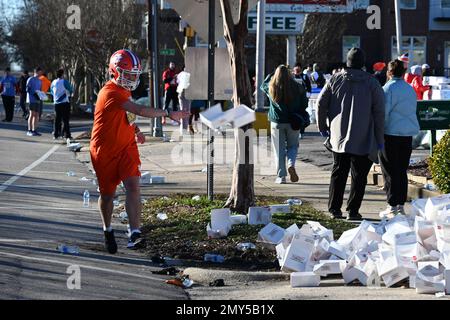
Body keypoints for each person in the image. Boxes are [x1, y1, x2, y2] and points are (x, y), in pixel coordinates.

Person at [90, 49, 188, 254]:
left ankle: (134, 233)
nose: (132, 79)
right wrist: (170, 113)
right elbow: (140, 110)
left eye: (135, 75)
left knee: (133, 186)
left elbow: (128, 113)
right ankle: (107, 229)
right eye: (128, 75)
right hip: (104, 151)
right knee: (107, 196)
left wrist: (134, 130)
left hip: (126, 147)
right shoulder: (109, 92)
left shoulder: (124, 91)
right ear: (115, 72)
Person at [317, 48, 385, 221]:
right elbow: (379, 113)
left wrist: (323, 126)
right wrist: (380, 138)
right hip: (364, 138)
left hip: (338, 137)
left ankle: (334, 209)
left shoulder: (335, 79)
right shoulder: (372, 83)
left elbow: (320, 104)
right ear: (362, 63)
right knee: (359, 176)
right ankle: (353, 210)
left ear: (347, 62)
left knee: (338, 173)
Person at [379, 60, 420, 219]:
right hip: (407, 134)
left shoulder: (387, 89)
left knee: (389, 170)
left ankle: (391, 205)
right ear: (403, 73)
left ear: (389, 72)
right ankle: (401, 206)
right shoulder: (410, 89)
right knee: (401, 171)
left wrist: (378, 131)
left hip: (390, 134)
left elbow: (384, 114)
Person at [261, 65, 309, 184]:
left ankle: (281, 177)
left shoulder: (271, 87)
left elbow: (263, 84)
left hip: (276, 122)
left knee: (279, 150)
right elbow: (305, 105)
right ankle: (291, 164)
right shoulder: (298, 87)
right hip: (293, 122)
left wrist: (272, 75)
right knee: (293, 146)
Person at [51, 69, 73, 140]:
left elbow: (51, 91)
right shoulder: (64, 81)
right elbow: (70, 89)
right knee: (65, 119)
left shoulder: (53, 82)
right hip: (64, 102)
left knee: (57, 119)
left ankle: (56, 134)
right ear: (62, 74)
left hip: (56, 103)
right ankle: (67, 135)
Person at [26, 67, 43, 136]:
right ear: (36, 72)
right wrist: (34, 94)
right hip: (31, 99)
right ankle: (29, 130)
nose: (41, 73)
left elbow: (40, 90)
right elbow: (27, 89)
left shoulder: (40, 81)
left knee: (36, 115)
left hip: (37, 100)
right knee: (31, 114)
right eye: (40, 72)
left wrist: (40, 95)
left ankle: (34, 130)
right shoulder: (30, 79)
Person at [176, 65, 191, 134]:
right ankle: (183, 129)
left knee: (185, 112)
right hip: (184, 94)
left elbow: (177, 81)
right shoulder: (186, 74)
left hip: (183, 94)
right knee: (185, 113)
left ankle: (184, 129)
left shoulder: (181, 74)